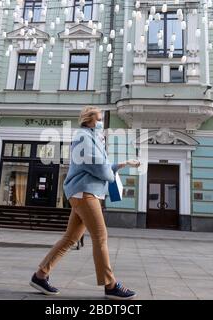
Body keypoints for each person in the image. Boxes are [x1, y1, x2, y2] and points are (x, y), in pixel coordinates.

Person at [30, 106, 140, 300]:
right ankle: (110, 285)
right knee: (100, 236)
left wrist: (123, 164)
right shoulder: (84, 137)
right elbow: (100, 169)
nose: (101, 123)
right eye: (99, 119)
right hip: (84, 192)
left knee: (70, 238)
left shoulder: (92, 138)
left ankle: (40, 276)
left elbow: (102, 167)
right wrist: (110, 173)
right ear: (89, 120)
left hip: (86, 192)